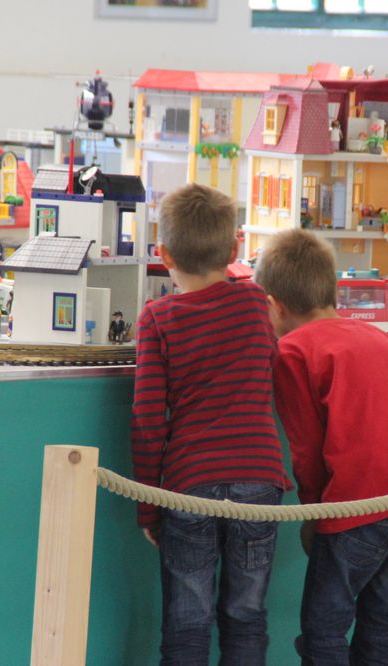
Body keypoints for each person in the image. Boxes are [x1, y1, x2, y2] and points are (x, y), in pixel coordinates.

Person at [254, 229, 388, 665]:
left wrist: (313, 516)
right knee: (382, 630)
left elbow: (306, 448)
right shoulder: (377, 337)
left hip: (358, 504)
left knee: (323, 632)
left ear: (273, 305)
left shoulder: (293, 351)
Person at [130, 183, 290, 665]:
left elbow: (147, 421)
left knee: (187, 623)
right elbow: (272, 365)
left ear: (163, 254)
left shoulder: (156, 319)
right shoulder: (256, 303)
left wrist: (148, 507)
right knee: (246, 617)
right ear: (235, 249)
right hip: (260, 480)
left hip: (189, 485)